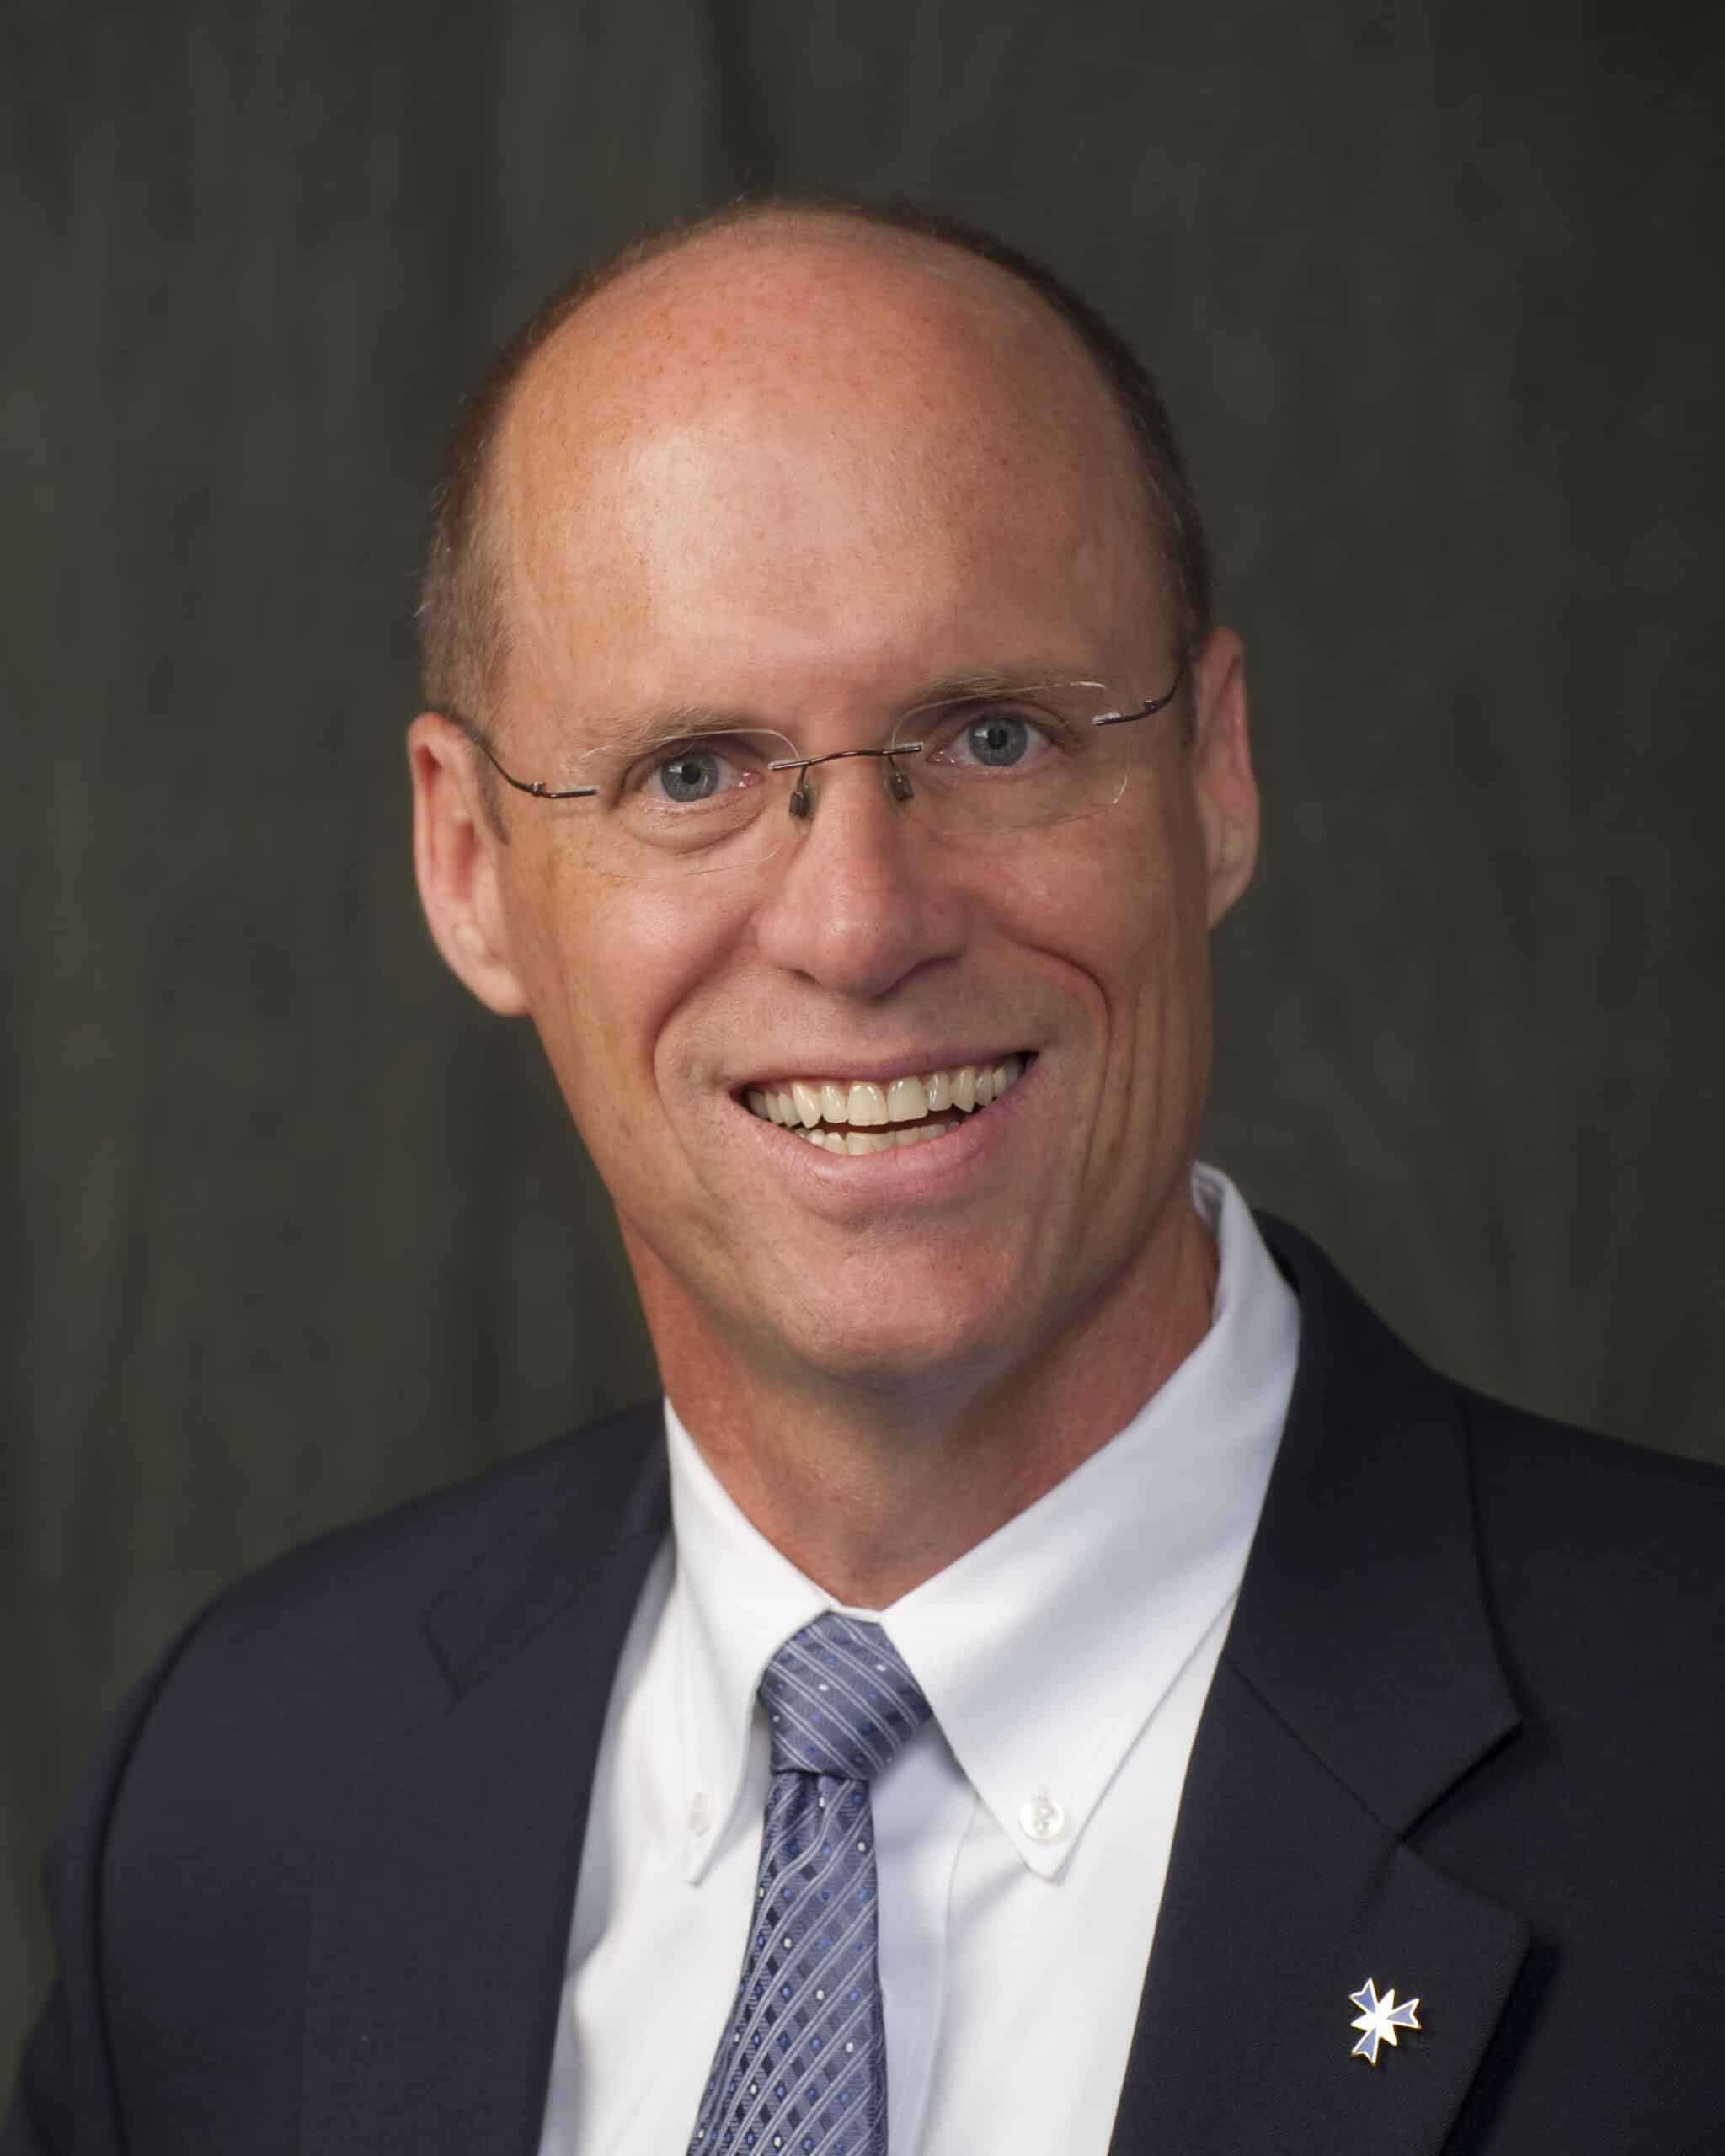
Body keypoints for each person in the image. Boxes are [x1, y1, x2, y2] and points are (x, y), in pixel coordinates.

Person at [6, 198, 1722, 2156]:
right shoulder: (232, 1809)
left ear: (1215, 776)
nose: (855, 917)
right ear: (469, 865)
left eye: (992, 735)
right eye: (690, 770)